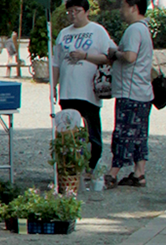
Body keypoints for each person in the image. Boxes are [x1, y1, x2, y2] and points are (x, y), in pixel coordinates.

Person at [53, 0, 116, 178]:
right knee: (69, 131)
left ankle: (91, 166)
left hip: (88, 91)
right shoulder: (64, 34)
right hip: (67, 89)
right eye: (70, 11)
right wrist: (54, 87)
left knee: (91, 130)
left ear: (86, 11)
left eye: (77, 11)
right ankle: (70, 165)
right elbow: (56, 62)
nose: (73, 14)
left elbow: (108, 56)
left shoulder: (97, 31)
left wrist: (85, 56)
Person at [105, 0, 154, 188]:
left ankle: (112, 174)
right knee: (140, 134)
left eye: (124, 6)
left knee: (123, 133)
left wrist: (115, 53)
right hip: (143, 92)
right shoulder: (145, 29)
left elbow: (130, 56)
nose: (121, 10)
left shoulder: (134, 29)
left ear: (133, 7)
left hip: (130, 91)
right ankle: (139, 173)